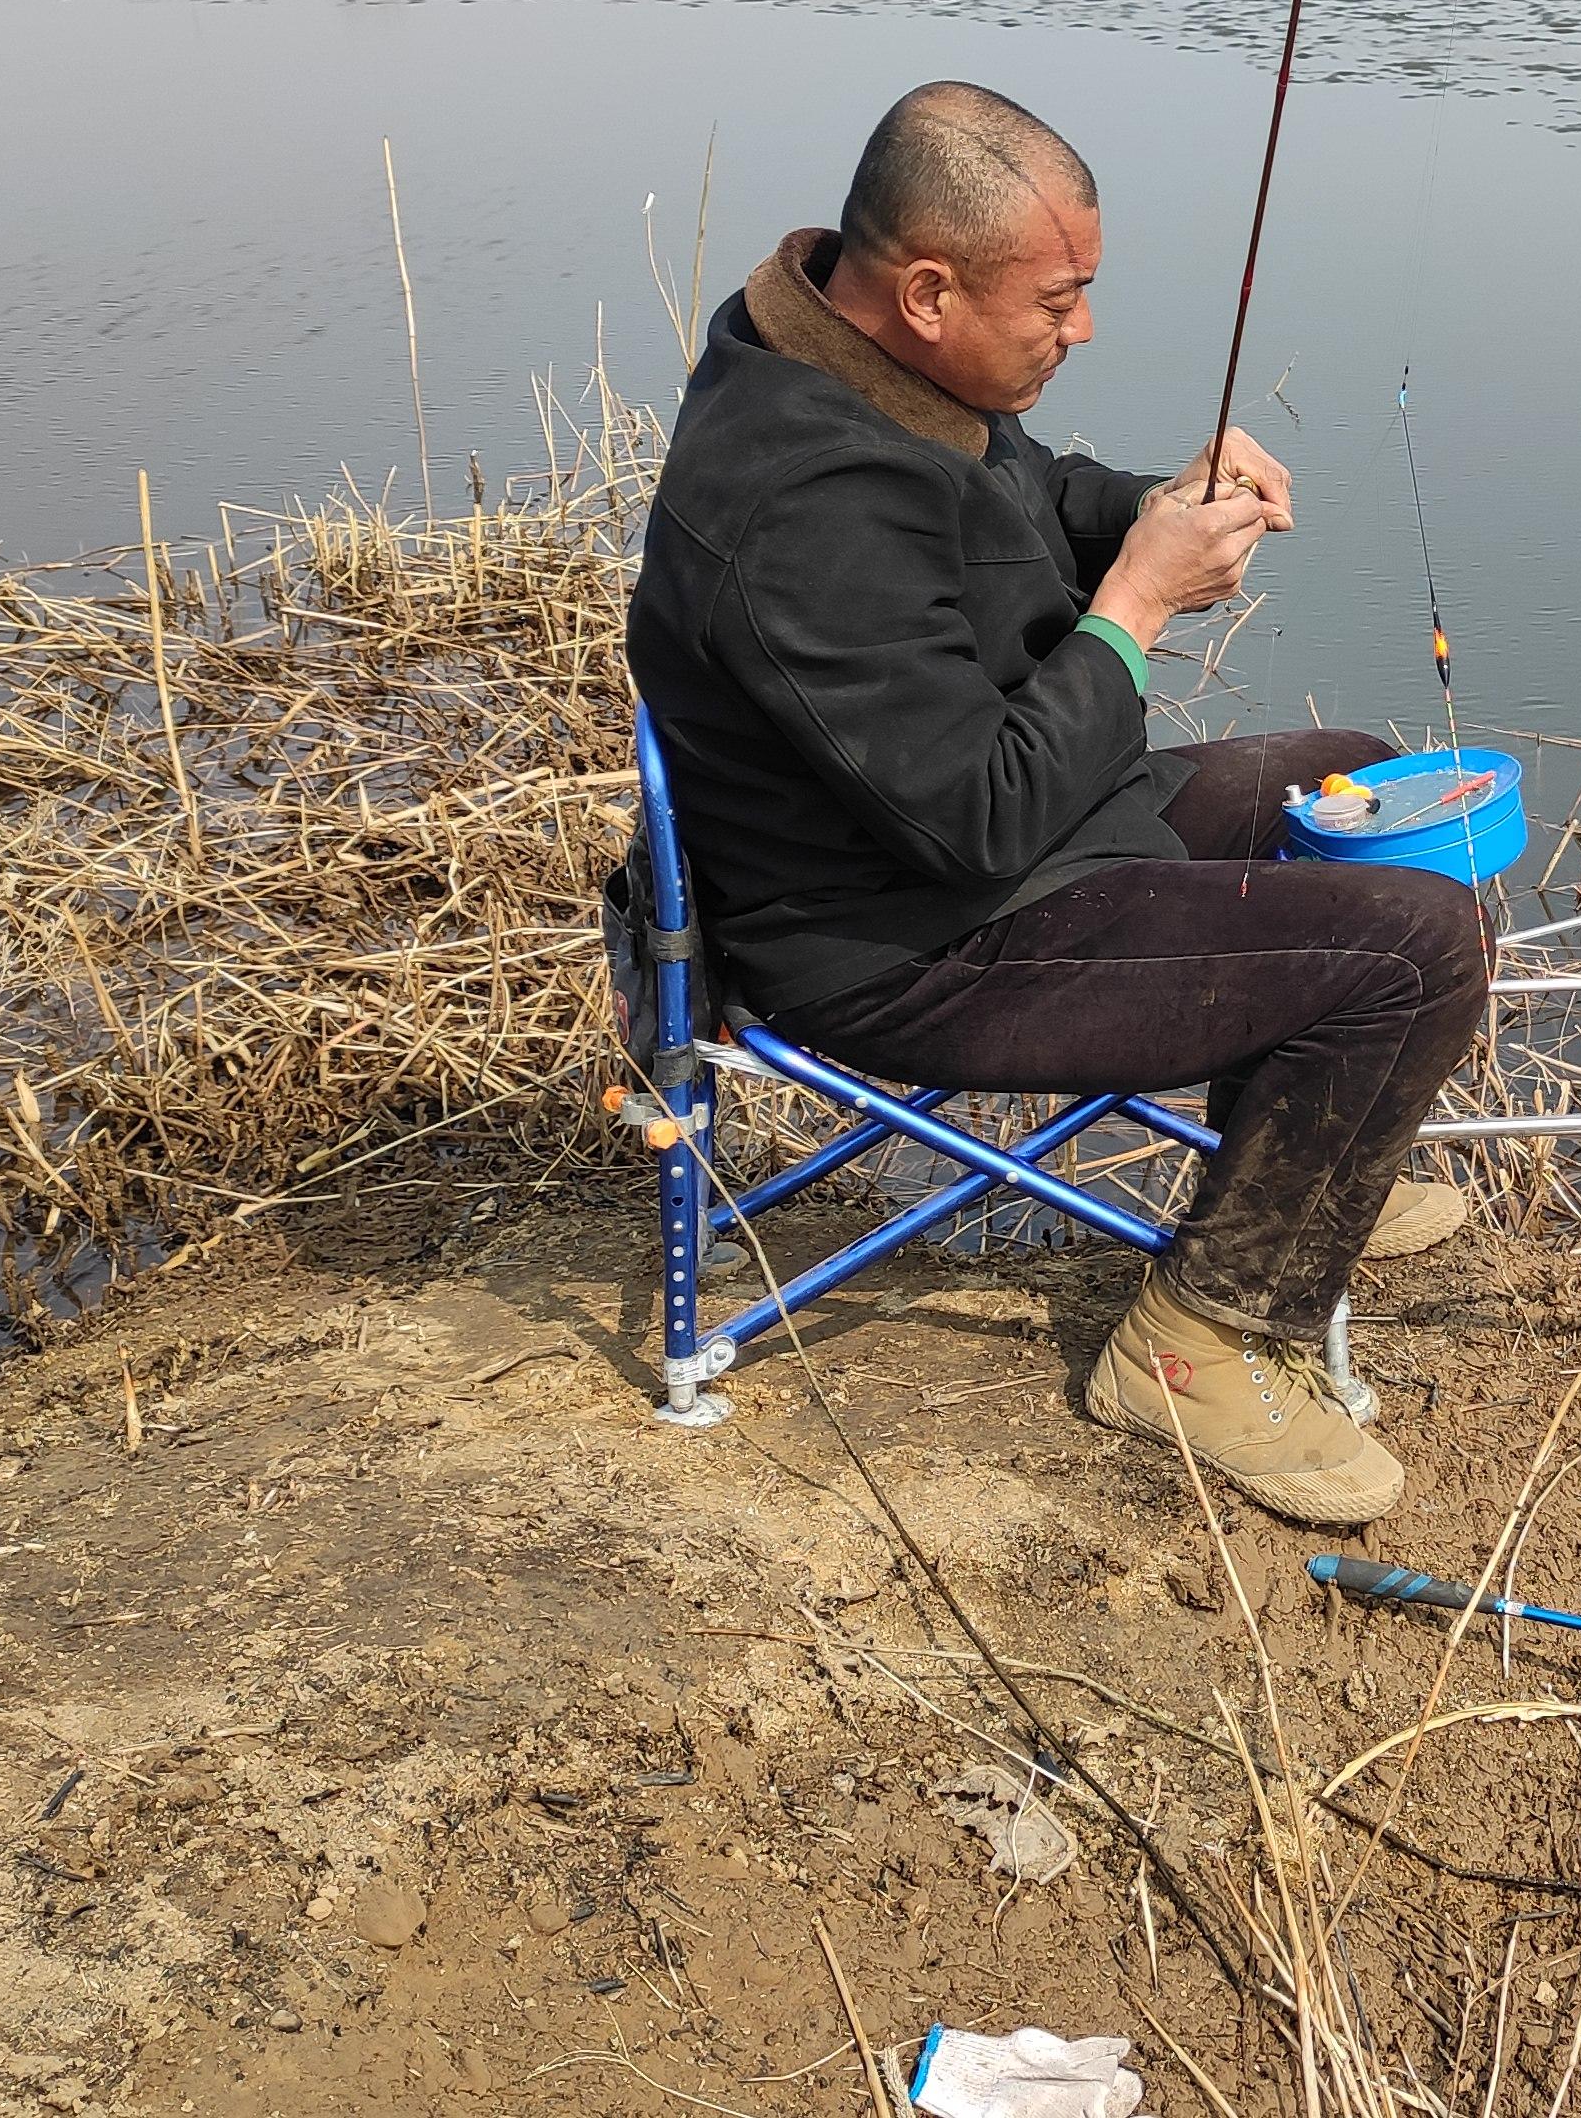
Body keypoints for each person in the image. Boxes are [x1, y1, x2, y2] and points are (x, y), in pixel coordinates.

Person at [626, 81, 1487, 1528]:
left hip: (982, 849)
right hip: (910, 937)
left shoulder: (864, 362)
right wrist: (1139, 603)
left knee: (1356, 778)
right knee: (1418, 949)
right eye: (1060, 300)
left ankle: (1306, 1164)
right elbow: (984, 816)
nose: (1080, 331)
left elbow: (1023, 498)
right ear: (926, 290)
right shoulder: (803, 507)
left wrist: (1159, 503)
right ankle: (1196, 1345)